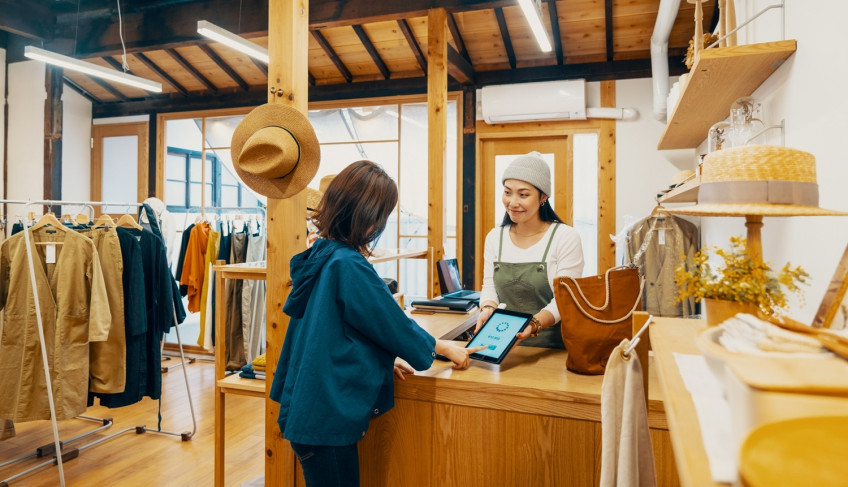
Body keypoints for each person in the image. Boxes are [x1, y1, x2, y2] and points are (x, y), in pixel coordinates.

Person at [270, 160, 484, 487]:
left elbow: (346, 329)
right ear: (369, 217)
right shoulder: (347, 264)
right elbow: (392, 325)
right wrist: (445, 348)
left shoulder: (324, 254)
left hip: (311, 406)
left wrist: (385, 358)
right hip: (325, 415)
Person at [474, 151, 584, 349]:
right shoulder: (495, 237)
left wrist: (533, 324)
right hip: (502, 345)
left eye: (523, 194)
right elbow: (489, 285)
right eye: (507, 192)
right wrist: (488, 308)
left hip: (553, 349)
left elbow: (564, 300)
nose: (512, 202)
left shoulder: (565, 237)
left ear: (543, 197)